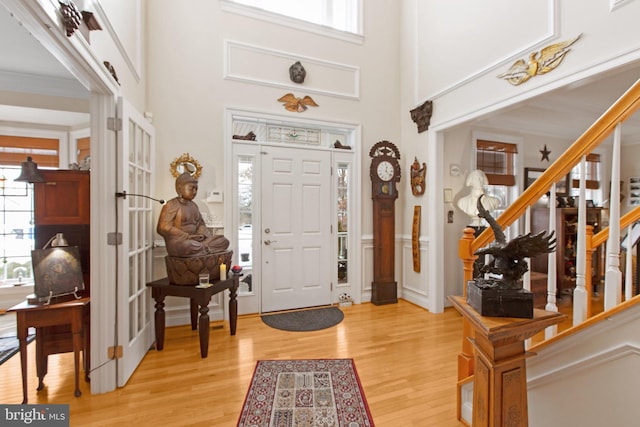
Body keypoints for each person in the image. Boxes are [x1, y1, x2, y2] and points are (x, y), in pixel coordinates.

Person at [157, 172, 229, 257]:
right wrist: (187, 236)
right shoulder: (171, 204)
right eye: (191, 188)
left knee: (223, 240)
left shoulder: (194, 205)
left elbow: (201, 223)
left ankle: (203, 248)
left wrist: (200, 234)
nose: (194, 192)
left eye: (196, 189)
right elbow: (163, 228)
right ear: (180, 189)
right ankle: (204, 248)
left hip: (196, 241)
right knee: (188, 246)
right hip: (181, 241)